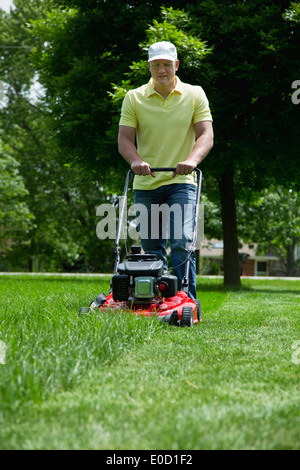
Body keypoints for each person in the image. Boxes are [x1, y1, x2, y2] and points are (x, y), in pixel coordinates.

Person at [118, 41, 213, 299]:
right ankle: (156, 299)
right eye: (156, 64)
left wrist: (192, 160)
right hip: (147, 184)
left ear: (176, 65)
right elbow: (125, 139)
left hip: (182, 181)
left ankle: (186, 300)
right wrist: (135, 161)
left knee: (182, 241)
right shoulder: (134, 97)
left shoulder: (195, 94)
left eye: (167, 64)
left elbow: (206, 135)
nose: (162, 69)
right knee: (151, 248)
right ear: (149, 66)